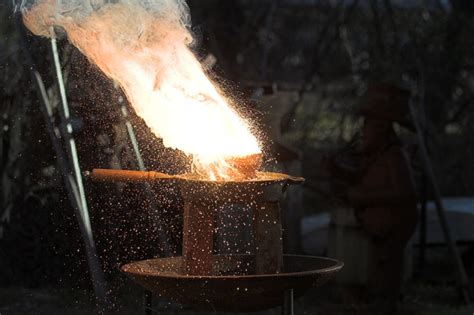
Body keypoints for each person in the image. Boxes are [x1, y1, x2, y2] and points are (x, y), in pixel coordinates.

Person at [323, 83, 418, 313]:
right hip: (380, 226)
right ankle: (377, 303)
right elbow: (361, 178)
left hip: (395, 224)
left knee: (388, 269)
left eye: (369, 123)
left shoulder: (394, 156)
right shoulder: (375, 156)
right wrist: (336, 171)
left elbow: (404, 193)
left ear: (383, 127)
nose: (363, 129)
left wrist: (363, 197)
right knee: (377, 267)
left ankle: (386, 304)